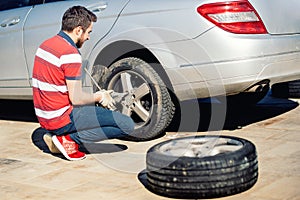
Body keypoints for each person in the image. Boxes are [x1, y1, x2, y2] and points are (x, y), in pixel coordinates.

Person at [32, 6, 135, 161]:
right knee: (126, 124)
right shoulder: (70, 54)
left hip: (44, 118)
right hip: (61, 119)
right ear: (79, 30)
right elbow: (76, 99)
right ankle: (69, 140)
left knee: (95, 114)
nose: (88, 37)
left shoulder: (45, 45)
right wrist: (99, 97)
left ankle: (61, 135)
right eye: (88, 32)